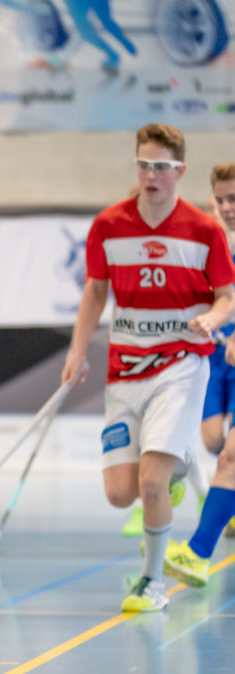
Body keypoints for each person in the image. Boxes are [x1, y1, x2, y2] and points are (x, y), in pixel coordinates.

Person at [62, 124, 235, 612]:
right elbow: (96, 290)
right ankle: (177, 466)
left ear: (179, 170)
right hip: (125, 371)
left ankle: (151, 582)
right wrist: (77, 351)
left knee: (155, 482)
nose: (151, 174)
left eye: (161, 166)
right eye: (144, 165)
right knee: (121, 494)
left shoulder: (203, 231)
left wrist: (213, 319)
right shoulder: (108, 225)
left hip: (181, 365)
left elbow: (226, 297)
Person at [163, 162, 235, 576]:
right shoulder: (212, 245)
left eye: (233, 199)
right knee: (222, 451)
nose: (226, 208)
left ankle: (198, 550)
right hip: (220, 360)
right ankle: (198, 552)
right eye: (221, 200)